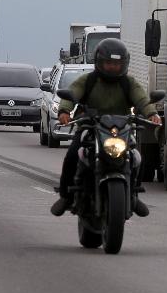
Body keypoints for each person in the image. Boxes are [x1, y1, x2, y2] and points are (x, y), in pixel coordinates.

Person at [49, 39, 161, 217]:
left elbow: (141, 99)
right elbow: (71, 94)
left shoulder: (128, 83)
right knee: (72, 154)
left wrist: (151, 113)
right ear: (99, 62)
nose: (112, 67)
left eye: (117, 63)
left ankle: (133, 195)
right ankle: (65, 196)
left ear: (124, 63)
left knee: (136, 157)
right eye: (108, 63)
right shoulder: (88, 80)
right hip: (90, 126)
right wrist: (64, 111)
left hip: (120, 129)